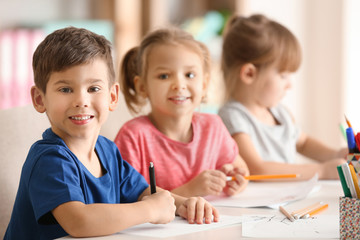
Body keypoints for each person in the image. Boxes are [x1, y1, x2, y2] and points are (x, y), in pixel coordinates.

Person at [4, 27, 219, 240]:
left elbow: (143, 192)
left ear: (113, 96)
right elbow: (79, 222)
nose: (81, 101)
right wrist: (150, 211)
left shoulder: (107, 150)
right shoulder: (50, 159)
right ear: (40, 99)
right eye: (66, 89)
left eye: (93, 89)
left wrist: (184, 204)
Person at [114, 27, 249, 198]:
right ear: (142, 87)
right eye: (164, 76)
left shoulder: (213, 127)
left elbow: (241, 170)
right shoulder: (132, 137)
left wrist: (235, 179)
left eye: (190, 75)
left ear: (204, 84)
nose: (179, 84)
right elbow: (124, 202)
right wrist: (188, 192)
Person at [218, 14, 347, 180]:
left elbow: (303, 143)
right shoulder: (233, 117)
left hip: (288, 197)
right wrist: (321, 171)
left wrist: (335, 154)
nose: (290, 85)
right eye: (283, 75)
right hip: (256, 204)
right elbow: (257, 169)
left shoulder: (278, 112)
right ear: (249, 73)